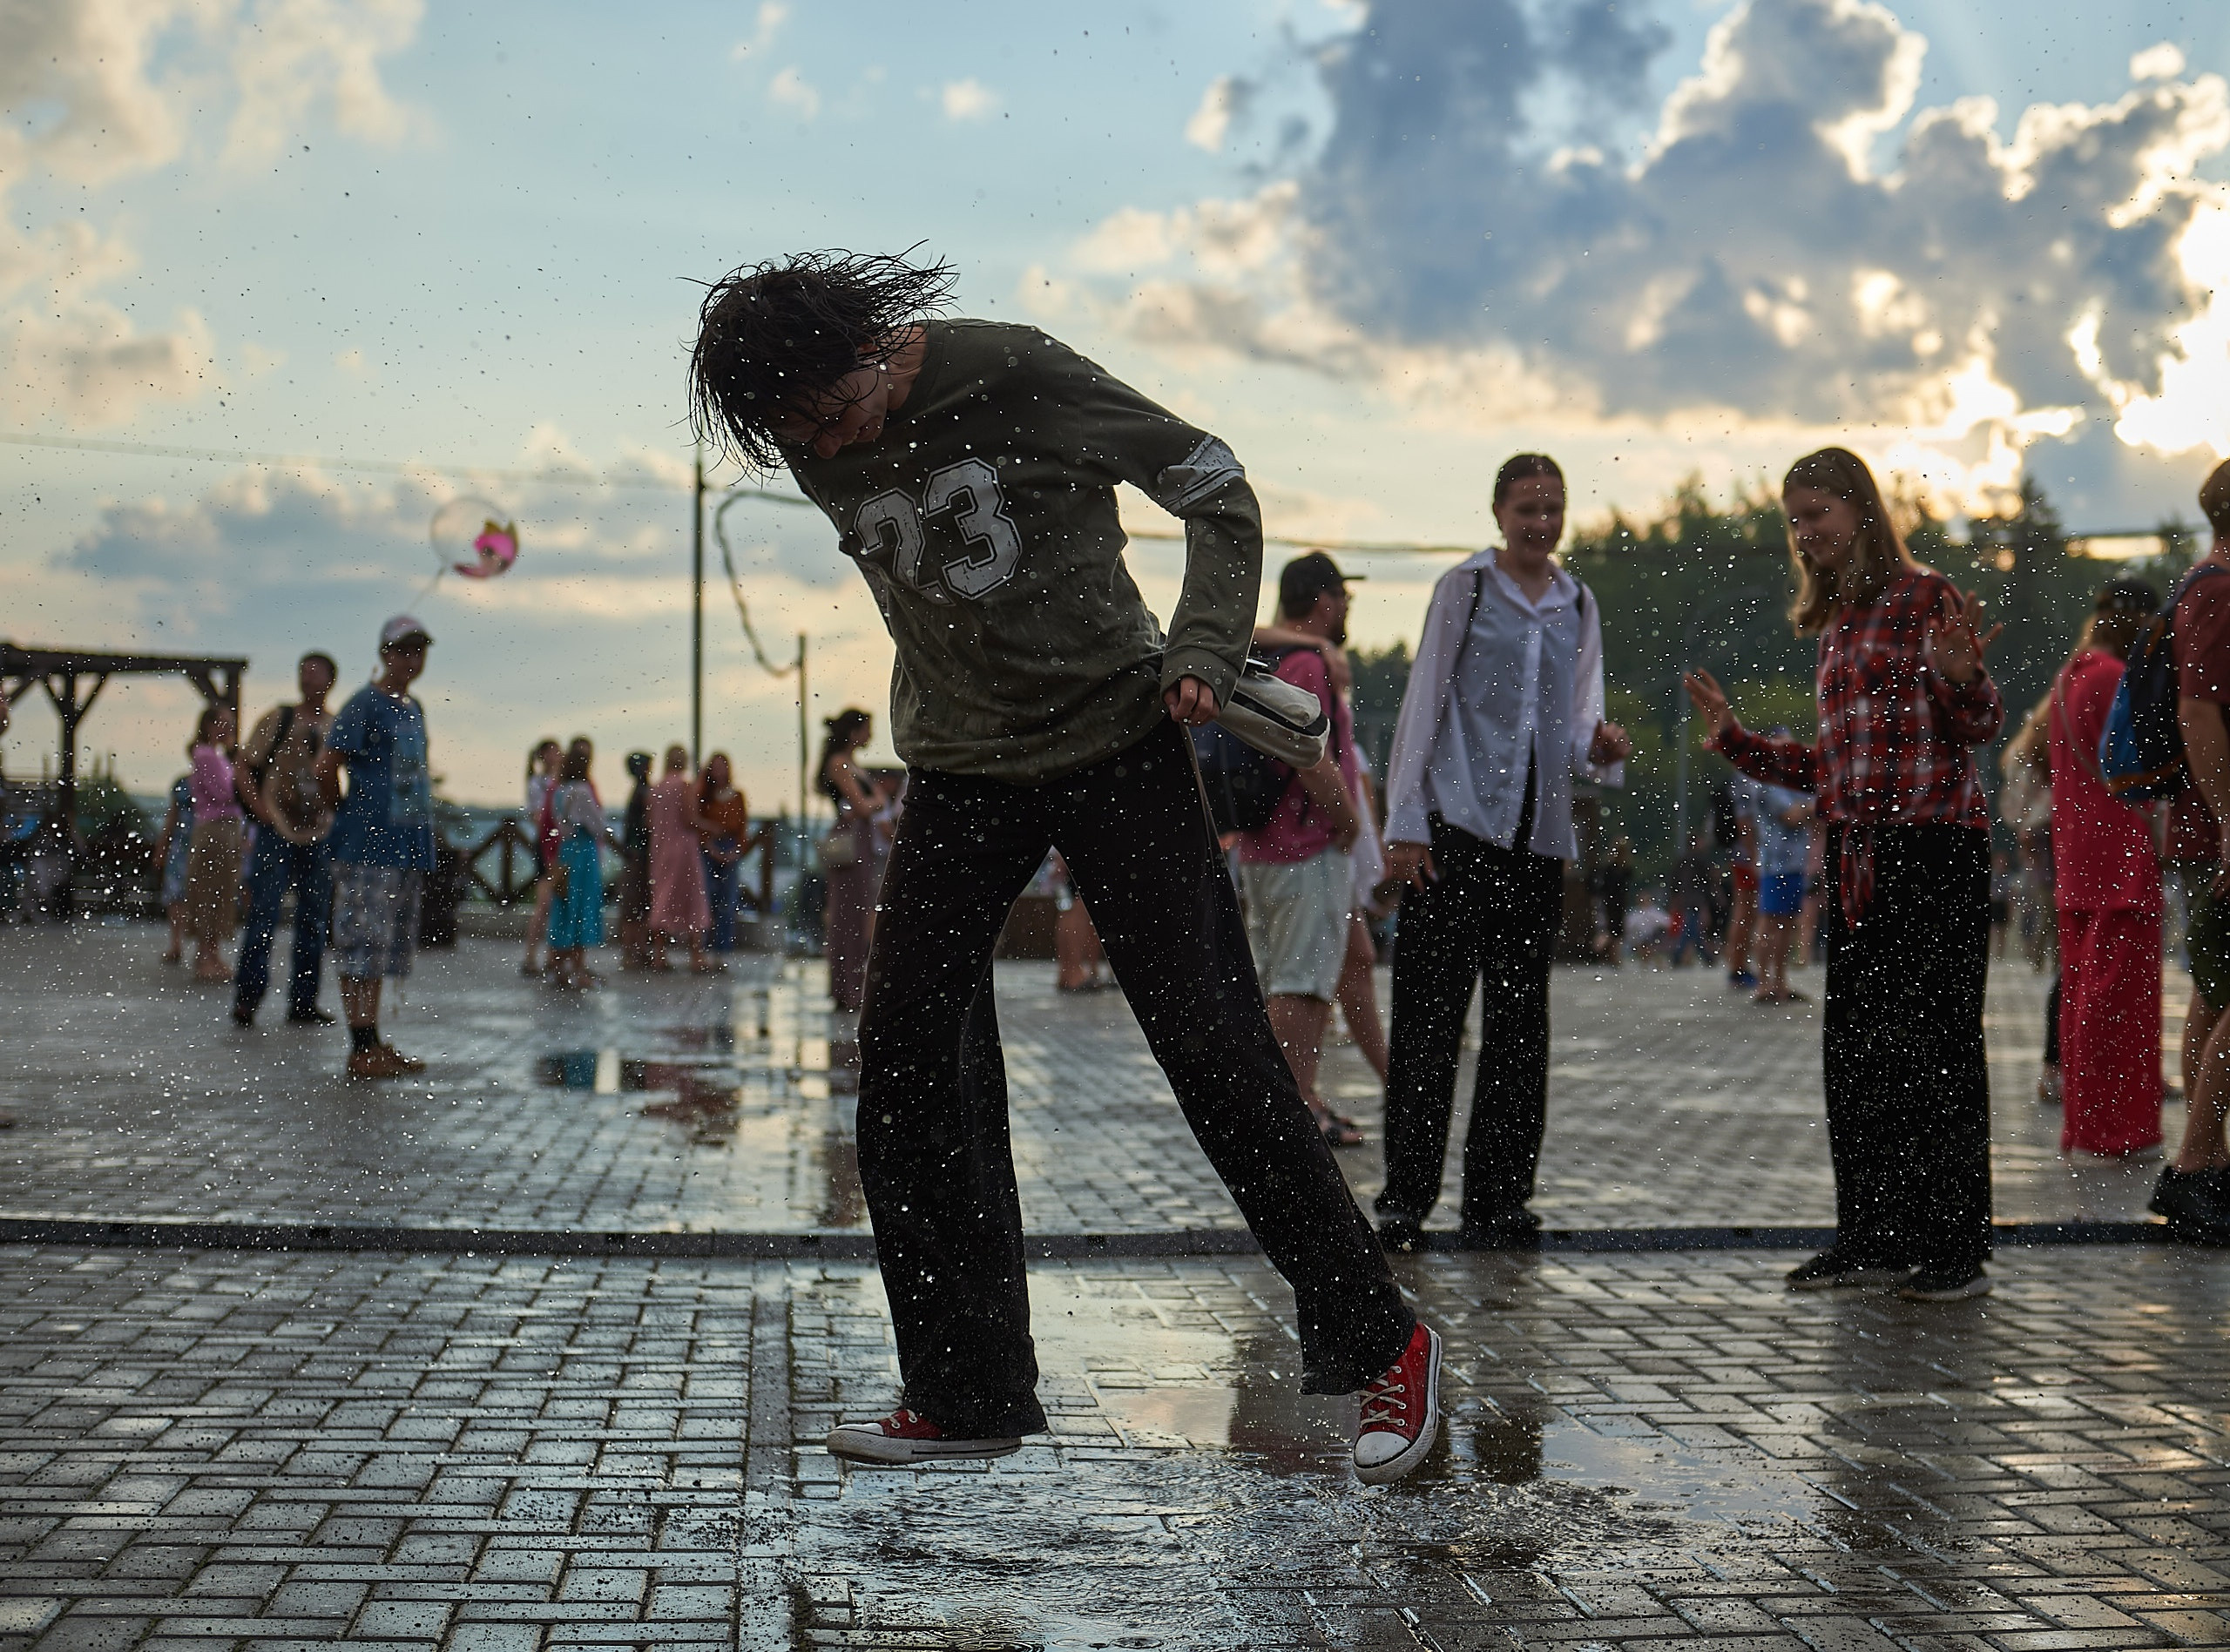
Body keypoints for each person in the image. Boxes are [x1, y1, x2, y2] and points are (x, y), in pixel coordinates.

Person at [689, 248, 1437, 1484]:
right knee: (910, 1055)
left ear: (872, 345)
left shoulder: (1013, 369)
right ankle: (966, 1386)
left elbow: (1215, 483)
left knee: (1214, 1049)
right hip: (959, 768)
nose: (826, 444)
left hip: (1115, 743)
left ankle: (1383, 1343)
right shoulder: (808, 432)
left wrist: (1201, 638)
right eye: (795, 433)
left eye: (834, 411)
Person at [1685, 446, 2003, 1301]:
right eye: (1793, 521)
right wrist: (1737, 742)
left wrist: (1959, 677)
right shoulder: (1837, 621)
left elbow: (1979, 719)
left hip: (1933, 850)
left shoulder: (1923, 597)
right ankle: (1871, 1235)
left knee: (1936, 1052)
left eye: (1815, 515)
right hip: (1862, 856)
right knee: (1859, 1054)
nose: (1803, 534)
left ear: (1859, 510)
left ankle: (1952, 1248)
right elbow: (1834, 764)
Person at [1376, 452, 1632, 1251]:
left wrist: (1603, 746)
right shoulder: (1467, 588)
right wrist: (1405, 818)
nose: (1541, 521)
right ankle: (1406, 1199)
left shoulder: (1575, 601)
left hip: (1536, 838)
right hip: (1454, 829)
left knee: (1522, 1024)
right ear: (1497, 513)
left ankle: (1498, 1199)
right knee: (1428, 1021)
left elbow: (1582, 719)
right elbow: (1424, 702)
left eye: (1552, 507)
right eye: (1526, 507)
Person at [1234, 552, 1368, 1147]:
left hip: (1261, 844)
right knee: (1302, 984)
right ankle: (1292, 1114)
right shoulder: (1309, 662)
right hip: (1305, 846)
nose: (1346, 609)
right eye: (1343, 597)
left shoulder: (1264, 656)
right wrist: (1348, 818)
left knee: (1282, 979)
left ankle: (1291, 1100)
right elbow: (1307, 750)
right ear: (1323, 600)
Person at [2050, 580, 2166, 1159]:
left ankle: (2086, 1123)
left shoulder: (2071, 676)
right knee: (2122, 1004)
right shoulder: (2112, 677)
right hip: (2121, 856)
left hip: (2079, 855)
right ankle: (2119, 1130)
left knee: (2082, 999)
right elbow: (2143, 760)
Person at [2154, 458, 2230, 1241]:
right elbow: (2199, 712)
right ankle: (2196, 1164)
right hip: (2221, 832)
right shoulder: (2217, 591)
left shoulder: (2196, 583)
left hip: (2209, 830)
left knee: (2214, 991)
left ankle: (2202, 1163)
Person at [316, 616, 436, 1080]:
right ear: (385, 653)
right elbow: (328, 763)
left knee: (383, 948)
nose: (411, 659)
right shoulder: (364, 704)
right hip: (368, 845)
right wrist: (345, 811)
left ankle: (372, 1042)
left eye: (418, 650)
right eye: (403, 650)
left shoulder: (414, 707)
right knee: (361, 943)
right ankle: (360, 1047)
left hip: (406, 845)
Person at [230, 651, 339, 1027]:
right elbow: (244, 765)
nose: (307, 679)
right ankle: (248, 998)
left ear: (330, 680)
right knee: (264, 913)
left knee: (314, 919)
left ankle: (303, 1002)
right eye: (302, 672)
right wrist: (262, 811)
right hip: (278, 829)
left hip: (320, 831)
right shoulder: (280, 718)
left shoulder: (335, 726)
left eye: (315, 673)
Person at [818, 709, 891, 1014]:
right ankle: (845, 987)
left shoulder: (851, 764)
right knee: (847, 915)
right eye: (866, 730)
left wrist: (873, 803)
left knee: (857, 914)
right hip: (850, 839)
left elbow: (869, 804)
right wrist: (877, 802)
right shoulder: (839, 763)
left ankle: (851, 985)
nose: (870, 737)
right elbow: (864, 806)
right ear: (853, 732)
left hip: (859, 837)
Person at [545, 742, 619, 989]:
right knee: (582, 910)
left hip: (566, 853)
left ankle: (559, 968)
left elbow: (559, 822)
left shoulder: (560, 792)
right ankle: (578, 970)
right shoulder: (582, 792)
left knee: (565, 909)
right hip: (584, 854)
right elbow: (597, 826)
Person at [1748, 732, 1814, 1006]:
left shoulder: (1791, 783)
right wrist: (1816, 806)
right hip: (1775, 863)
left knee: (1786, 924)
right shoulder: (1769, 783)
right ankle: (1764, 982)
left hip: (1794, 862)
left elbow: (1806, 810)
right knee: (1770, 923)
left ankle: (1780, 982)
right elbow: (1792, 816)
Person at [182, 703, 243, 982]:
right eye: (222, 723)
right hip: (214, 830)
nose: (228, 728)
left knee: (221, 891)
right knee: (209, 890)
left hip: (226, 830)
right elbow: (224, 792)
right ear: (208, 725)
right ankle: (205, 955)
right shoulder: (206, 754)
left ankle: (212, 952)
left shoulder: (217, 756)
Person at [648, 744, 714, 973]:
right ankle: (696, 955)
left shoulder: (655, 788)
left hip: (660, 849)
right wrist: (713, 828)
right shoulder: (684, 785)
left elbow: (649, 822)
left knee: (662, 897)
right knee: (693, 898)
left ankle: (659, 954)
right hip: (683, 849)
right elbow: (689, 819)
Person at [698, 752, 752, 954]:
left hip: (730, 846)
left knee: (728, 901)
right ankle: (704, 947)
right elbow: (700, 826)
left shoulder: (737, 797)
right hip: (709, 848)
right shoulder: (706, 797)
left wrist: (736, 851)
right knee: (707, 897)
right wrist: (710, 848)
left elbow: (742, 828)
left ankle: (723, 949)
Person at [522, 738, 562, 976]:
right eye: (553, 751)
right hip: (547, 845)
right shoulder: (538, 783)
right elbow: (538, 817)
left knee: (557, 903)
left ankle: (552, 956)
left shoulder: (556, 782)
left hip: (559, 844)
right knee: (545, 904)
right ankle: (530, 957)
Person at [1723, 775, 1761, 989]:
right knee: (1745, 912)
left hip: (1743, 854)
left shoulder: (1741, 777)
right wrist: (1754, 856)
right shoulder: (1746, 780)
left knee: (1746, 911)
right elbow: (1744, 822)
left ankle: (1739, 966)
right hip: (1747, 856)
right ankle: (1737, 968)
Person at [617, 751, 655, 967]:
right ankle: (633, 951)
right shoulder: (643, 791)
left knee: (636, 905)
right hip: (639, 856)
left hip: (635, 855)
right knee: (637, 905)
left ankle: (634, 950)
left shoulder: (637, 791)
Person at [155, 766, 194, 965]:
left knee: (188, 896)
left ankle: (187, 944)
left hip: (198, 843)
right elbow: (172, 817)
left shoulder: (212, 782)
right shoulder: (183, 784)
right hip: (183, 845)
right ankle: (177, 943)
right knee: (176, 896)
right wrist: (163, 846)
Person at [1666, 833, 1715, 967]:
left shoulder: (1682, 860)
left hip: (1686, 898)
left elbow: (1674, 881)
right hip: (1695, 898)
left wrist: (1675, 897)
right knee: (1691, 929)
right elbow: (1707, 882)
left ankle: (1702, 956)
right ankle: (1704, 956)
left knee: (1690, 928)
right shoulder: (1700, 860)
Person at [1593, 837, 1633, 964]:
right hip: (1617, 903)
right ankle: (1611, 956)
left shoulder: (1609, 868)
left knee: (1612, 931)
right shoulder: (1622, 869)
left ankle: (1611, 957)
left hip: (1610, 902)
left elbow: (1601, 887)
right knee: (1614, 932)